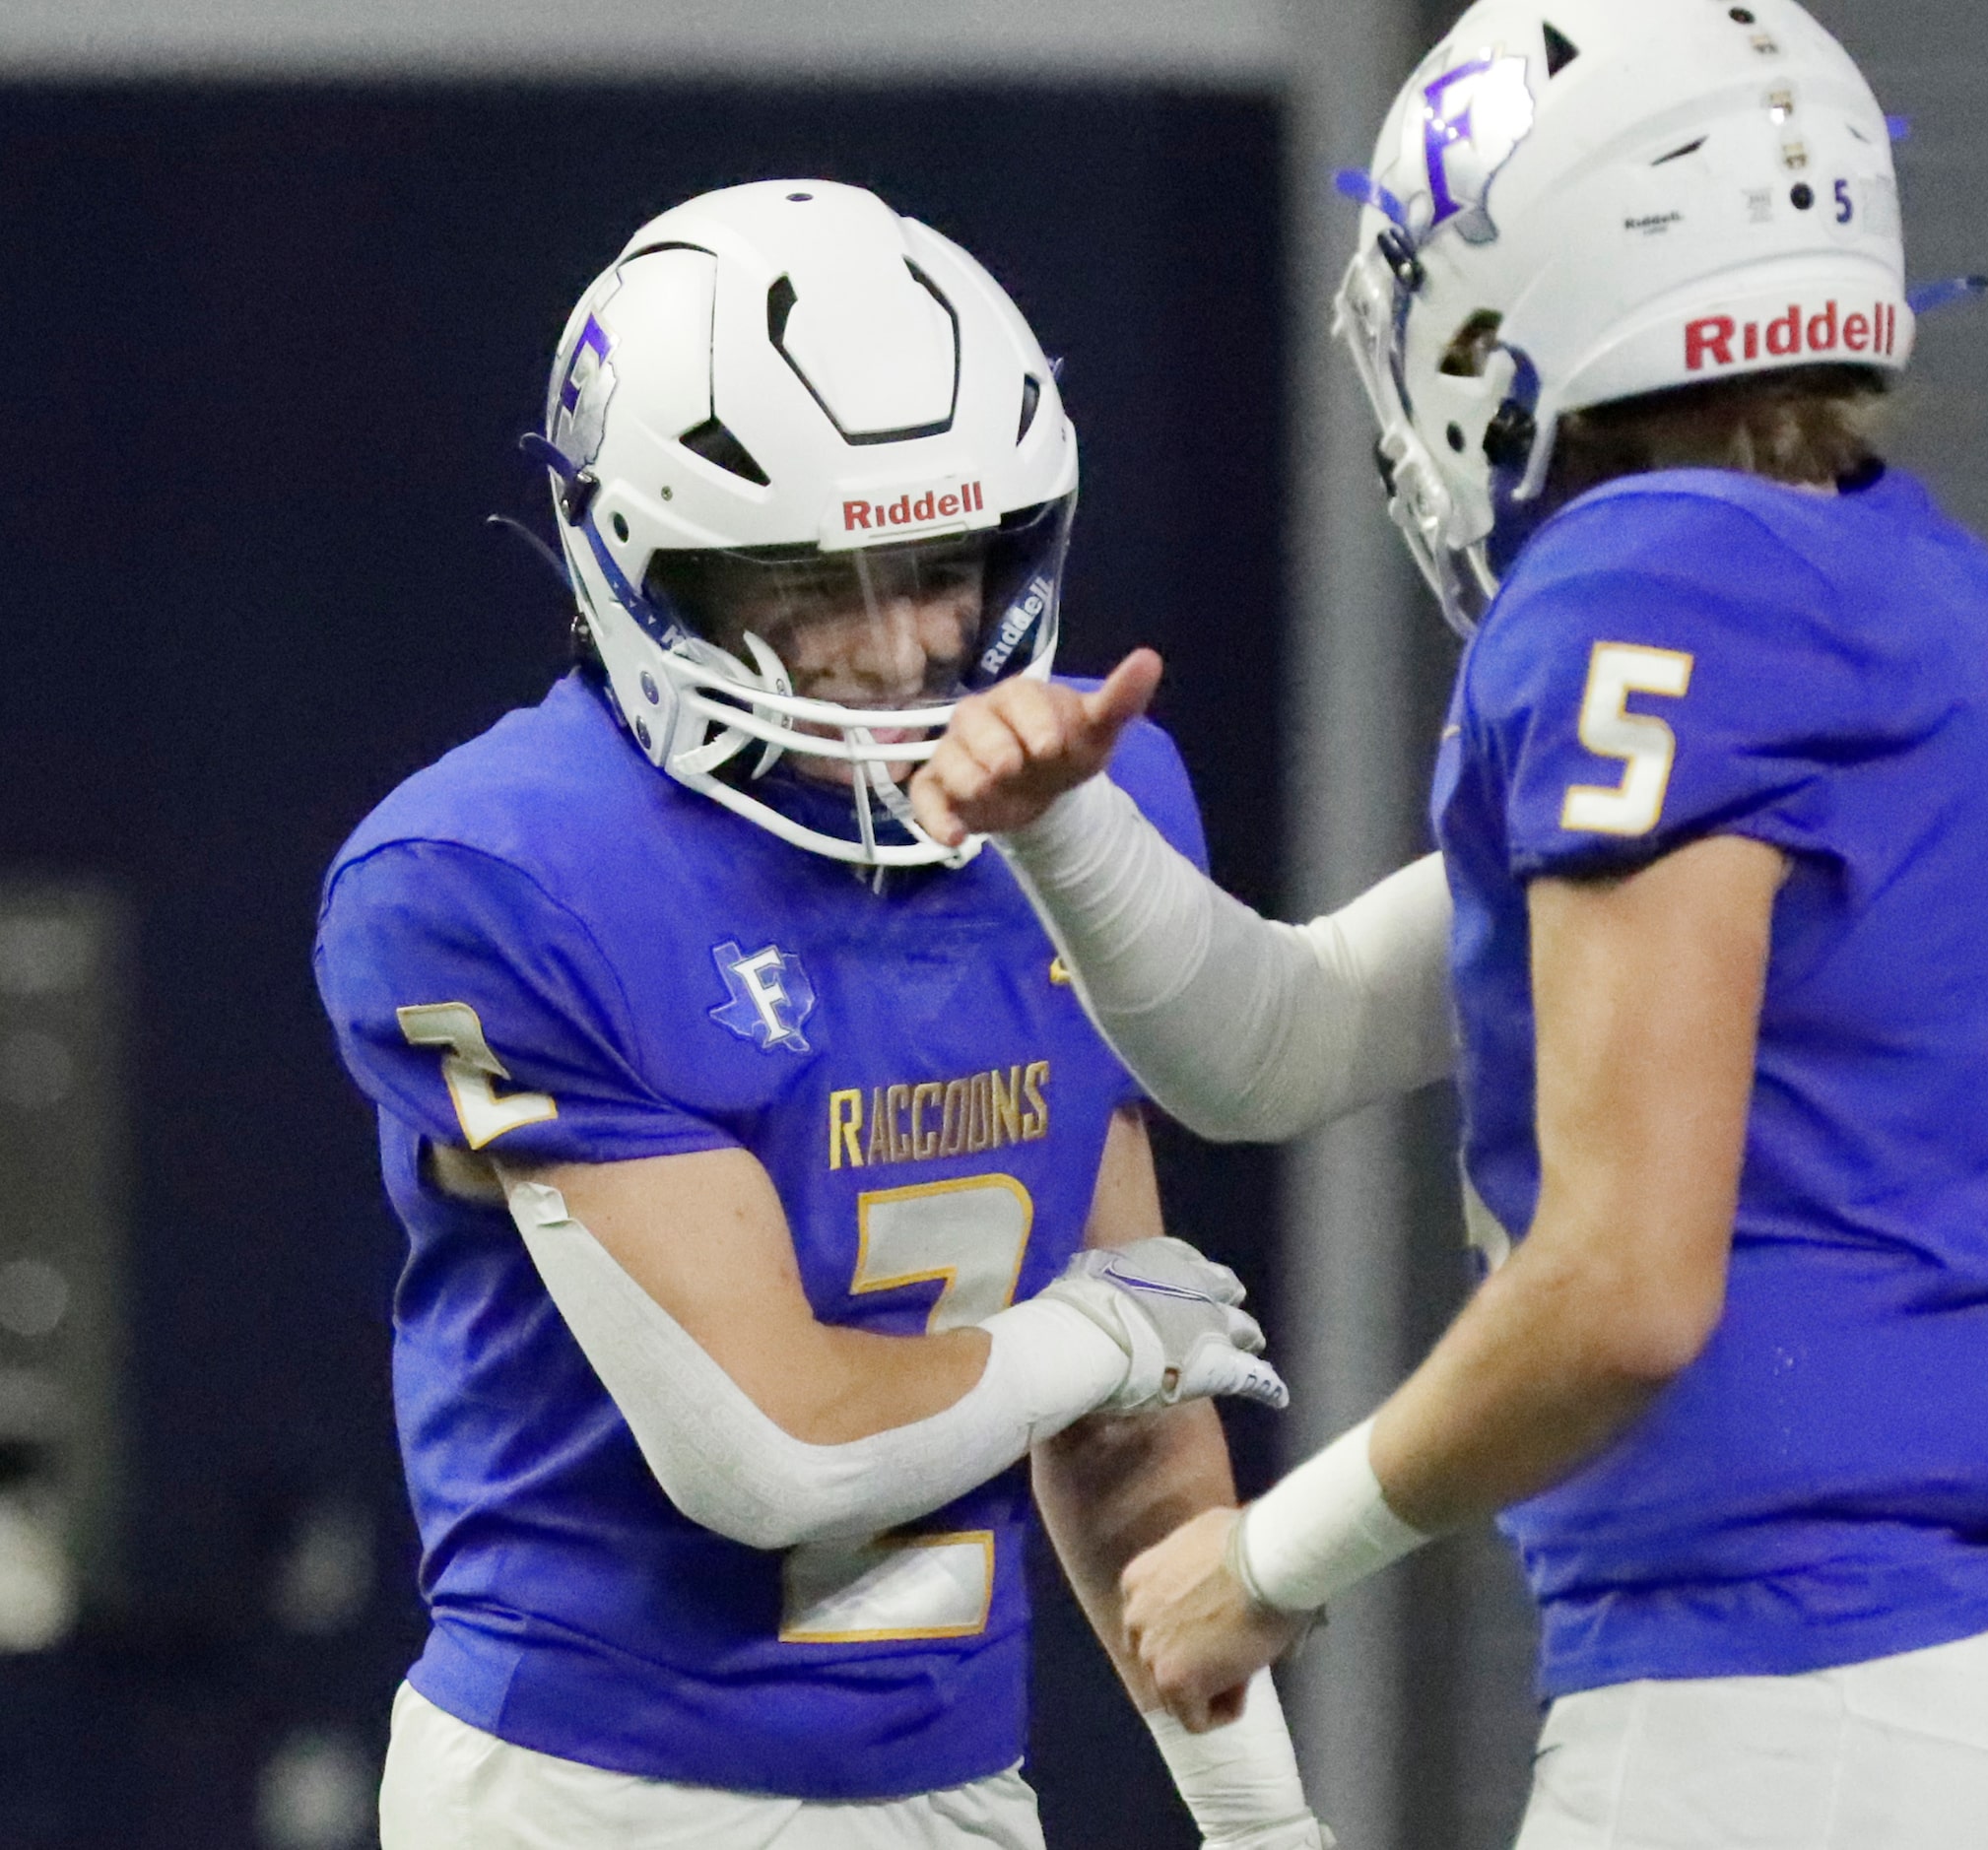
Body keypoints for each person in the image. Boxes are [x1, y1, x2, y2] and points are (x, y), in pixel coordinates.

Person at [908, 3, 1988, 1844]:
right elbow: (1280, 1038)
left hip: (1790, 1707)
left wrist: (1270, 1550)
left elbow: (1619, 1287)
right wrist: (1059, 827)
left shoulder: (1645, 583)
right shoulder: (1912, 593)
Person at [312, 180, 1336, 1850]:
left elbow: (1134, 1418)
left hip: (951, 1772)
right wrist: (1099, 1330)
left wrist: (1259, 1820)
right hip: (608, 1795)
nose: (892, 650)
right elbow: (778, 1446)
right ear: (643, 568)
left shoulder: (1089, 799)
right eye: (807, 580)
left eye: (938, 568)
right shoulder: (496, 874)